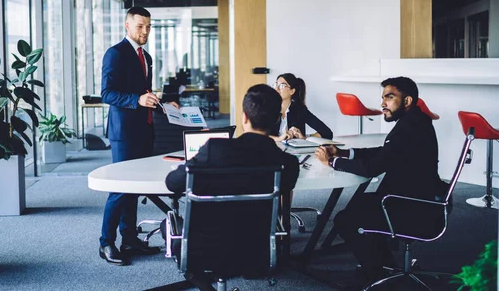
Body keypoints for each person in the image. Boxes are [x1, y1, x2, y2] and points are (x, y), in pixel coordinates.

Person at [315, 77, 445, 282]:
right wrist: (345, 152)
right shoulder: (415, 121)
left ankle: (375, 273)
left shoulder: (410, 127)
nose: (383, 103)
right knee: (360, 205)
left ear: (407, 101)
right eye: (383, 97)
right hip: (418, 197)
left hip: (411, 205)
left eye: (390, 97)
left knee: (345, 220)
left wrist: (332, 162)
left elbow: (371, 168)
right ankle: (384, 265)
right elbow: (386, 152)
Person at [99, 6, 178, 266]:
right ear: (127, 26)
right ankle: (105, 243)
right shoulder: (116, 53)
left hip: (144, 128)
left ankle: (129, 239)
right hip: (124, 132)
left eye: (148, 26)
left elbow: (144, 91)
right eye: (140, 26)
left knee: (134, 189)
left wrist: (164, 102)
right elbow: (107, 93)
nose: (145, 31)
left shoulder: (147, 56)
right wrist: (137, 99)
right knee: (121, 188)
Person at [166, 83, 300, 196]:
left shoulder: (214, 149)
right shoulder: (289, 163)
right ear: (277, 119)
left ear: (244, 117)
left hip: (209, 227)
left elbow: (173, 183)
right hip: (259, 227)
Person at [269, 73, 333, 142]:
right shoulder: (268, 108)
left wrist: (305, 138)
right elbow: (259, 135)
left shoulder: (300, 110)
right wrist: (279, 138)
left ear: (292, 91)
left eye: (282, 85)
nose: (277, 88)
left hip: (293, 151)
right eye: (276, 85)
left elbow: (327, 133)